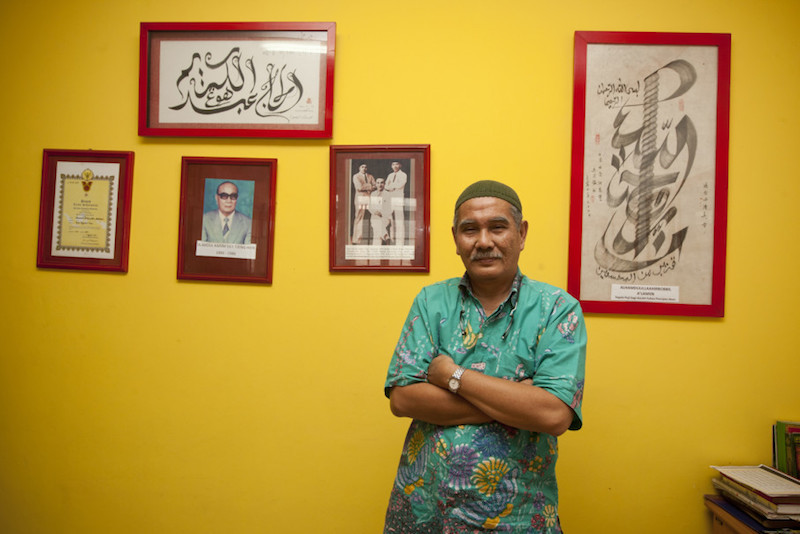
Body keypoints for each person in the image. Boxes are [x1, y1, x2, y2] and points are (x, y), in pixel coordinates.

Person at [383, 180, 587, 533]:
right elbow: (402, 398)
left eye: (497, 227)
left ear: (521, 234)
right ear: (455, 239)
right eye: (469, 230)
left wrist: (451, 376)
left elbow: (554, 414)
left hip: (519, 517)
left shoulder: (557, 309)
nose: (483, 241)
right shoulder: (431, 303)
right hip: (425, 512)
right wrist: (518, 402)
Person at [351, 164, 376, 244]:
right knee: (359, 217)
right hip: (360, 198)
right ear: (359, 168)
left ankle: (371, 238)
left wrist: (366, 186)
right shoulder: (356, 176)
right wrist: (370, 186)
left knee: (373, 215)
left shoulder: (370, 176)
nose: (364, 168)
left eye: (365, 167)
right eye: (362, 167)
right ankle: (356, 239)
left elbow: (376, 186)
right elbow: (359, 188)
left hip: (370, 198)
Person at [384, 161, 407, 245]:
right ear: (391, 166)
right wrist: (392, 187)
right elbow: (386, 186)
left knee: (399, 220)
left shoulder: (403, 175)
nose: (395, 166)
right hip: (390, 198)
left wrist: (391, 186)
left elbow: (399, 185)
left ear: (400, 165)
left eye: (397, 164)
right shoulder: (390, 175)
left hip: (398, 198)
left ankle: (400, 242)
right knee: (391, 220)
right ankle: (392, 239)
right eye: (393, 164)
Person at [368, 178, 392, 245]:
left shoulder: (388, 194)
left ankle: (375, 250)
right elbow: (370, 207)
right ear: (375, 184)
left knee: (377, 228)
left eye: (381, 183)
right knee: (377, 223)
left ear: (384, 184)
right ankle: (385, 235)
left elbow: (390, 208)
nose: (380, 185)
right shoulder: (373, 194)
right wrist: (375, 212)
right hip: (375, 216)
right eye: (378, 183)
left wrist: (382, 213)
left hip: (385, 217)